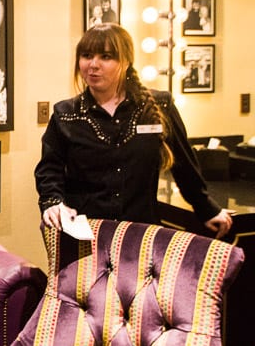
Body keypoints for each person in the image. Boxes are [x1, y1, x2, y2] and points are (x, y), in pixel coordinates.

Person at [34, 23, 233, 238]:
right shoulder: (66, 113)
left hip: (141, 236)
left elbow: (184, 166)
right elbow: (49, 170)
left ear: (126, 61)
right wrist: (53, 202)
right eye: (87, 55)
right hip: (84, 235)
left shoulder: (159, 106)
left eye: (106, 57)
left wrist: (207, 208)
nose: (93, 64)